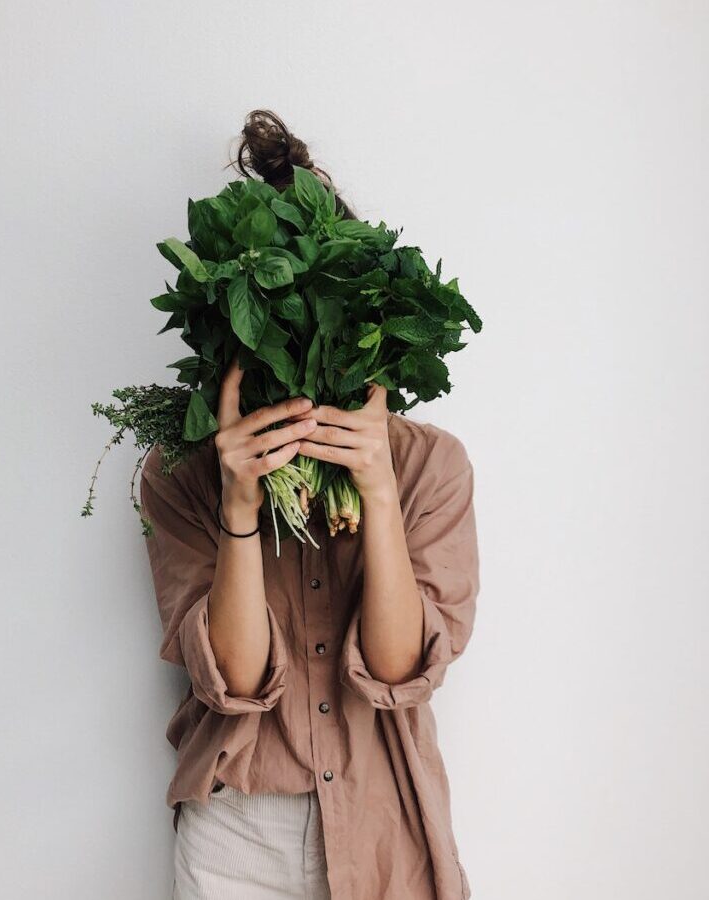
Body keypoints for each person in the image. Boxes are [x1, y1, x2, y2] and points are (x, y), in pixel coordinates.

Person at [139, 110, 480, 900]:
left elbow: (400, 672)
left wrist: (379, 495)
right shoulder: (181, 472)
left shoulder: (430, 465)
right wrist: (239, 505)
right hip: (238, 835)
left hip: (384, 817)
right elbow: (235, 676)